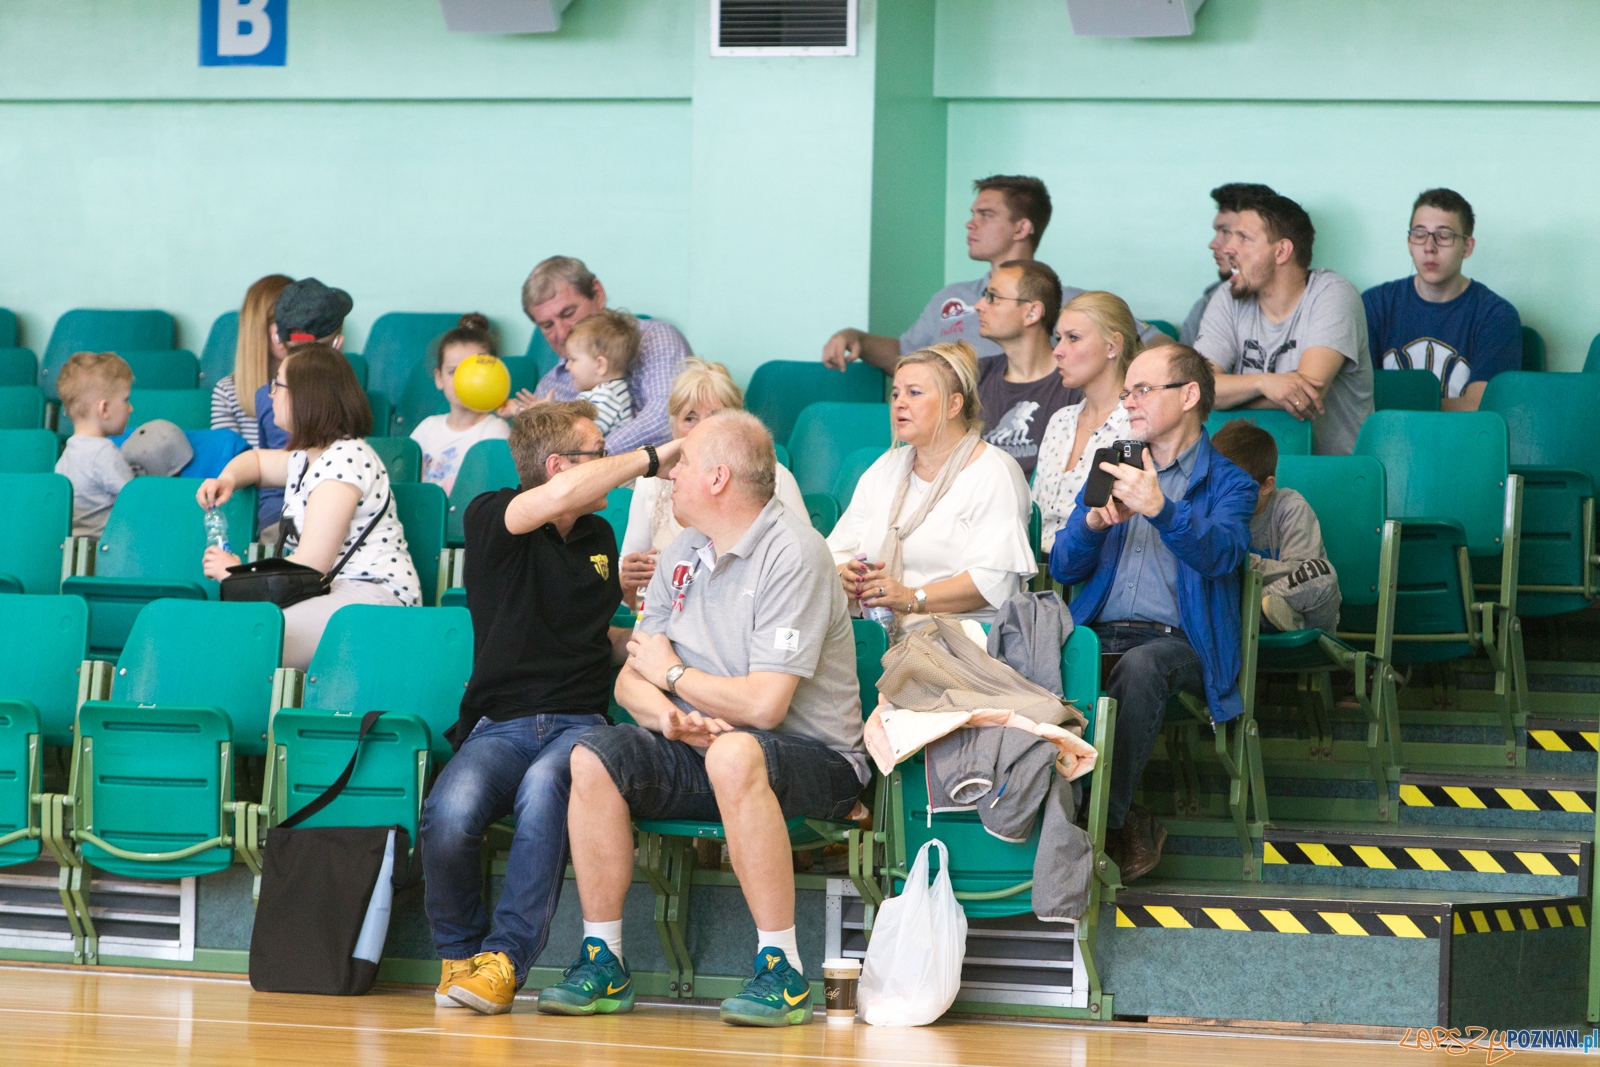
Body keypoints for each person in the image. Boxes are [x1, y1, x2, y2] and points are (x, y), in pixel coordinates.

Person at [540, 410, 867, 1027]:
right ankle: (603, 958)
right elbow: (630, 678)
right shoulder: (683, 552)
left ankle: (782, 969)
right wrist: (670, 716)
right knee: (592, 755)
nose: (669, 476)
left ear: (717, 478)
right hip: (701, 744)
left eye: (682, 463)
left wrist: (676, 680)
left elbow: (766, 706)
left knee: (736, 750)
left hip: (815, 757)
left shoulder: (793, 551)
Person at [421, 402, 682, 1016]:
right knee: (449, 814)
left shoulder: (598, 537)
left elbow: (593, 637)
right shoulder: (495, 513)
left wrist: (649, 646)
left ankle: (505, 962)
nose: (612, 469)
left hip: (580, 722)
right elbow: (547, 500)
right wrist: (647, 459)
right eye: (599, 453)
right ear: (560, 466)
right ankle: (460, 956)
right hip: (501, 722)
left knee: (545, 791)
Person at [1048, 344, 1256, 881]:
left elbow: (1223, 555)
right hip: (1099, 632)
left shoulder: (1230, 481)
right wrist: (1091, 527)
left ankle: (1100, 827)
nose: (1129, 403)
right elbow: (1066, 569)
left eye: (1142, 390)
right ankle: (1084, 819)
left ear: (1189, 395)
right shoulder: (1112, 463)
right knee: (1035, 657)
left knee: (1143, 666)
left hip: (1181, 641)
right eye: (1126, 393)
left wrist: (1161, 508)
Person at [198, 344, 421, 670]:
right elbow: (258, 462)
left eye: (278, 384)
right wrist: (228, 479)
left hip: (373, 598)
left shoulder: (345, 460)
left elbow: (312, 565)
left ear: (305, 396)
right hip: (331, 594)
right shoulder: (308, 456)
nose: (270, 393)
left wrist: (235, 574)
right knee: (230, 638)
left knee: (248, 642)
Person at [821, 176, 1168, 374]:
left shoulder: (1074, 302)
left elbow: (1158, 346)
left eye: (986, 215)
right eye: (973, 213)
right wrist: (860, 340)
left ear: (1022, 228)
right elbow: (906, 355)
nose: (971, 223)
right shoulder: (951, 298)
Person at [825, 341, 1035, 634]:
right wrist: (843, 575)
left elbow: (993, 580)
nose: (899, 402)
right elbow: (833, 553)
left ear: (953, 405)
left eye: (914, 393)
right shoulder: (885, 467)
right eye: (896, 393)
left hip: (957, 636)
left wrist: (912, 598)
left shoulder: (994, 471)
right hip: (873, 631)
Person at [619, 358, 808, 609]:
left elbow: (803, 559)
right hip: (660, 613)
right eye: (690, 418)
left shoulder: (775, 476)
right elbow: (628, 574)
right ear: (672, 426)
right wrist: (629, 576)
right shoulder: (652, 483)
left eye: (715, 417)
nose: (702, 430)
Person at [1194, 192, 1374, 456]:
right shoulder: (1227, 297)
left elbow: (1306, 397)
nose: (1228, 248)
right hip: (1249, 474)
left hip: (1330, 473)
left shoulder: (1333, 293)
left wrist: (1224, 397)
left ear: (1281, 251)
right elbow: (1198, 389)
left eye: (1243, 238)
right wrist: (1263, 383)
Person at [1362, 188, 1521, 412]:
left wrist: (1399, 408)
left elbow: (1479, 409)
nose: (1429, 247)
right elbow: (1356, 398)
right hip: (1387, 441)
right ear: (1409, 243)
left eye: (1444, 235)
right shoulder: (1374, 305)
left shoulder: (1496, 315)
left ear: (1467, 247)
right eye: (1419, 234)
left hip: (1461, 442)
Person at [521, 256, 690, 451]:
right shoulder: (549, 387)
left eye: (568, 314)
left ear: (598, 294)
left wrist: (589, 458)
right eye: (547, 325)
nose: (561, 333)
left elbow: (667, 419)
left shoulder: (656, 339)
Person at [1210, 420, 1341, 634]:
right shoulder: (1211, 507)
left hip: (1302, 616)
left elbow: (1300, 571)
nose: (1221, 494)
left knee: (1323, 574)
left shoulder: (1291, 507)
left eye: (1234, 487)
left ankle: (1272, 615)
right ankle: (1261, 613)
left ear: (1266, 485)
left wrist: (1243, 563)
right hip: (1238, 608)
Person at [1033, 292, 1140, 547]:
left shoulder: (1135, 423)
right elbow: (1034, 515)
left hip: (1093, 572)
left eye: (1073, 338)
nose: (1057, 351)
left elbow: (1126, 524)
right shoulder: (1060, 420)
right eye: (1059, 339)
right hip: (1037, 571)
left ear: (1112, 346)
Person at [252, 278, 355, 537]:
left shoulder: (266, 396)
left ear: (279, 338)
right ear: (337, 344)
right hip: (327, 522)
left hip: (274, 518)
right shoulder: (343, 391)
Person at [973, 259, 1081, 480]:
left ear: (1032, 313)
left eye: (993, 297)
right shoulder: (975, 375)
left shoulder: (1075, 384)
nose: (979, 305)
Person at [409, 314, 511, 494]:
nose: (461, 381)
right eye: (453, 371)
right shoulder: (427, 428)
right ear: (439, 378)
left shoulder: (495, 431)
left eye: (472, 371)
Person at [1179, 184, 1277, 345]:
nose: (1213, 244)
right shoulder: (1206, 305)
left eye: (1226, 231)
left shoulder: (1315, 298)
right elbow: (1187, 369)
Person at [55, 351, 135, 537]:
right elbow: (134, 498)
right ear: (104, 409)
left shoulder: (66, 455)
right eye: (126, 400)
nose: (130, 408)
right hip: (103, 549)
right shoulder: (104, 452)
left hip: (74, 550)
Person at [210, 273, 292, 448]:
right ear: (259, 328)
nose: (291, 330)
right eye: (280, 321)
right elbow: (227, 460)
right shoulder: (227, 392)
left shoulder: (318, 384)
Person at [563, 309, 638, 436]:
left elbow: (580, 435)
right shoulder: (604, 392)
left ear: (600, 365)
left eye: (572, 359)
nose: (567, 366)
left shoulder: (608, 396)